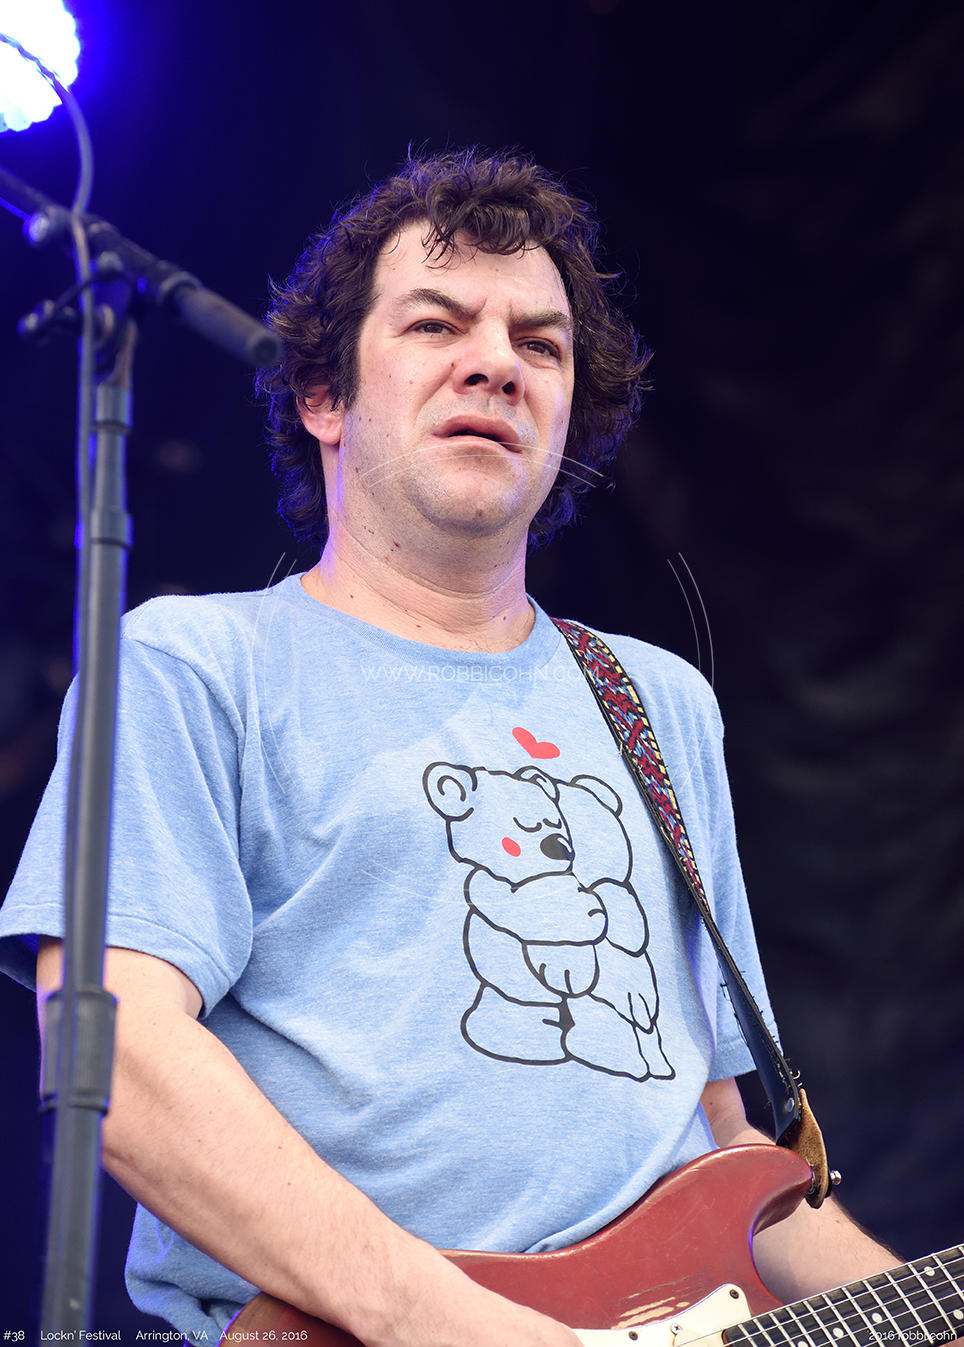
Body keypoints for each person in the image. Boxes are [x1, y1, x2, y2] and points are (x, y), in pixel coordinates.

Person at [0, 149, 899, 1345]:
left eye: (540, 344)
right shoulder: (195, 665)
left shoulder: (657, 703)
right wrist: (463, 1325)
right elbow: (123, 1057)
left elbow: (723, 1147)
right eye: (436, 324)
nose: (496, 363)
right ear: (321, 395)